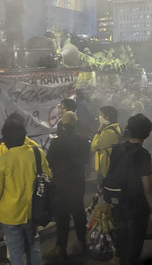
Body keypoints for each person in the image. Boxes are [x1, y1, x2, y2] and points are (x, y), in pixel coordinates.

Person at [0, 119, 50, 265]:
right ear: (24, 136)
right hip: (32, 212)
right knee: (34, 247)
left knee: (16, 253)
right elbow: (48, 177)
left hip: (10, 215)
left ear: (6, 139)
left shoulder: (2, 160)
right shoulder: (37, 153)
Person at [107, 113, 152, 265]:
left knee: (120, 240)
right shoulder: (142, 154)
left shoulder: (117, 148)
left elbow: (110, 173)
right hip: (136, 207)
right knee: (133, 246)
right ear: (146, 134)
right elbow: (148, 187)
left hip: (117, 203)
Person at [45, 111, 90, 260]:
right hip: (77, 182)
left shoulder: (56, 142)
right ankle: (82, 243)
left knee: (62, 216)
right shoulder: (83, 140)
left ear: (62, 124)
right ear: (75, 124)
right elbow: (86, 160)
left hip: (61, 183)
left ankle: (61, 247)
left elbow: (49, 162)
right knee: (78, 213)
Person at [91, 105, 122, 180]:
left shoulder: (108, 132)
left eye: (101, 115)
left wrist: (98, 131)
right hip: (109, 165)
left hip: (106, 168)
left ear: (107, 118)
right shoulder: (115, 127)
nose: (100, 117)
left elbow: (94, 147)